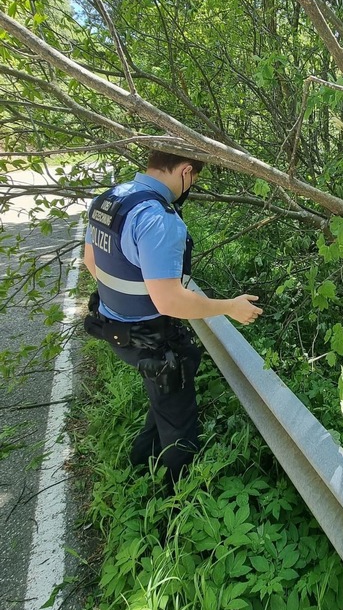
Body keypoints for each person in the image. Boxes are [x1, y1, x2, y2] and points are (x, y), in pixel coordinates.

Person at [83, 150, 262, 485]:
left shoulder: (109, 199)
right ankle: (176, 498)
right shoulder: (159, 220)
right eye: (194, 179)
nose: (192, 185)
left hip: (113, 327)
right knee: (179, 423)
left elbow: (91, 262)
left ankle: (139, 465)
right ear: (186, 170)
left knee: (162, 400)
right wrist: (229, 307)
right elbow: (170, 302)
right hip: (151, 339)